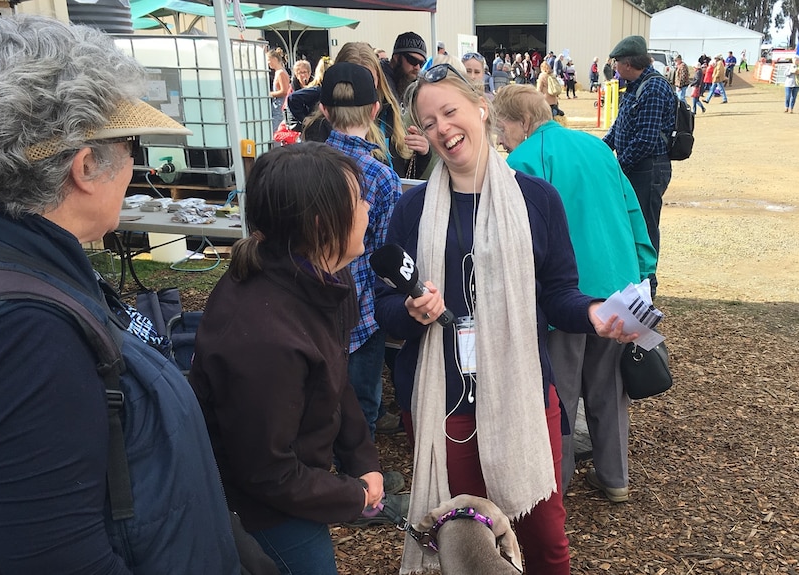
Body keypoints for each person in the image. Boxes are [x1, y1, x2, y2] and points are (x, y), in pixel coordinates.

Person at [0, 14, 243, 574]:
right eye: (130, 145)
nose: (135, 164)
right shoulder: (22, 335)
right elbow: (56, 555)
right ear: (84, 166)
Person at [374, 62, 637, 575]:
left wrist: (592, 312)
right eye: (428, 122)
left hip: (523, 397)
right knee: (460, 548)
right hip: (443, 406)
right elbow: (385, 308)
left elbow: (558, 293)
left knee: (545, 542)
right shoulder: (413, 208)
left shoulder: (537, 200)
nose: (443, 128)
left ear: (481, 107)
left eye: (450, 111)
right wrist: (410, 310)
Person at [189, 142, 383, 575]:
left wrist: (362, 461)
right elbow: (264, 471)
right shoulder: (264, 337)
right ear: (319, 225)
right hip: (264, 512)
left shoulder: (319, 279)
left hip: (290, 493)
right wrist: (351, 496)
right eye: (357, 201)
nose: (369, 208)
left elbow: (335, 377)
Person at [493, 84, 657, 501]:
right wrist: (645, 273)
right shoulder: (598, 149)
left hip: (562, 299)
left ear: (524, 122)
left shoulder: (523, 159)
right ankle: (615, 478)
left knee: (559, 395)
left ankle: (556, 486)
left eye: (503, 126)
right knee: (609, 389)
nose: (500, 137)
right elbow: (634, 209)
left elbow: (520, 239)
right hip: (619, 288)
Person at [319, 62, 404, 478]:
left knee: (319, 392)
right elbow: (383, 253)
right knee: (363, 399)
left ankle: (326, 468)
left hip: (310, 302)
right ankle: (359, 481)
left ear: (322, 109)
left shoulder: (305, 163)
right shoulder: (382, 176)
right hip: (362, 308)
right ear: (375, 110)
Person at [603, 35, 675, 297]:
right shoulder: (634, 86)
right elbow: (620, 127)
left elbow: (645, 140)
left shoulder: (653, 88)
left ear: (629, 63)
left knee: (644, 224)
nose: (615, 67)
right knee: (631, 222)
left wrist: (615, 167)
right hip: (635, 167)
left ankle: (648, 285)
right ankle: (634, 278)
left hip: (648, 168)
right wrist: (600, 151)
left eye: (617, 62)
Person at [299, 41, 432, 180]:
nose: (362, 85)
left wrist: (422, 153)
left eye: (367, 78)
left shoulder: (388, 112)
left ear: (378, 80)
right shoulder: (320, 127)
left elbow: (403, 176)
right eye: (354, 80)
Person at [382, 31, 427, 108]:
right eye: (413, 60)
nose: (417, 67)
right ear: (396, 57)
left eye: (421, 63)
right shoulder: (379, 82)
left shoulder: (409, 83)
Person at [267, 47, 291, 130]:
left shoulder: (281, 73)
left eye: (269, 60)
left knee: (277, 130)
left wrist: (270, 94)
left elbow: (284, 91)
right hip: (277, 106)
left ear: (274, 59)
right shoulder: (279, 72)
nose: (268, 62)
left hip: (280, 107)